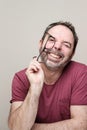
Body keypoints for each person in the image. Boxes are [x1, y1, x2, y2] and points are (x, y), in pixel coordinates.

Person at [8, 21, 87, 130]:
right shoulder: (21, 78)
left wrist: (32, 128)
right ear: (40, 44)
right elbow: (16, 128)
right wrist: (35, 88)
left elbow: (81, 125)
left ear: (72, 54)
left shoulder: (81, 73)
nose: (57, 46)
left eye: (66, 44)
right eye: (51, 40)